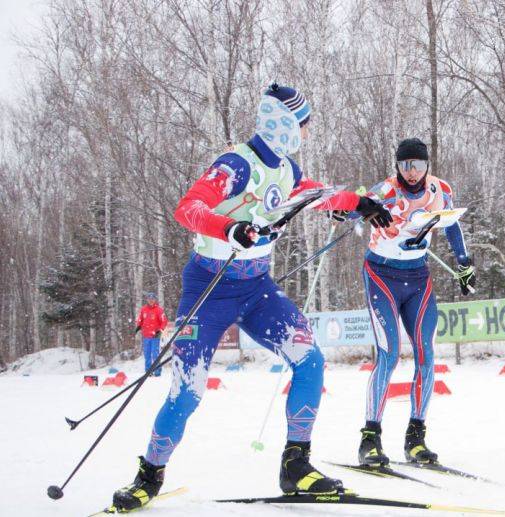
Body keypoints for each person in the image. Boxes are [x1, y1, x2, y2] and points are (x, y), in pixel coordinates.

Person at [110, 83, 393, 512]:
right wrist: (230, 228)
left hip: (257, 289)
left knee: (309, 359)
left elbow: (317, 194)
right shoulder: (235, 164)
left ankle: (296, 465)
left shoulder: (286, 169)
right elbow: (188, 208)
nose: (306, 132)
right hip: (208, 289)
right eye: (303, 124)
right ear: (285, 124)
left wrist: (362, 203)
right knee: (187, 392)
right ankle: (148, 476)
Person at [354, 138, 476, 467]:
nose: (411, 173)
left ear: (427, 166)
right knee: (389, 355)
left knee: (426, 356)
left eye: (418, 165)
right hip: (381, 276)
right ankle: (370, 438)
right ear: (397, 166)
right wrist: (360, 208)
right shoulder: (388, 189)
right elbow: (357, 206)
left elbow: (452, 226)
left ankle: (416, 439)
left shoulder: (440, 190)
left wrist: (464, 264)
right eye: (405, 165)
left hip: (418, 279)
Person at [134, 292, 168, 377]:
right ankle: (148, 372)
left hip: (155, 335)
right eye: (149, 299)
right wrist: (138, 326)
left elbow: (164, 321)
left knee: (155, 354)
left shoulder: (159, 310)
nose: (151, 301)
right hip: (146, 336)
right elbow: (140, 319)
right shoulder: (143, 309)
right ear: (147, 300)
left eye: (152, 299)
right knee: (147, 354)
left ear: (155, 300)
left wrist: (160, 330)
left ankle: (157, 371)